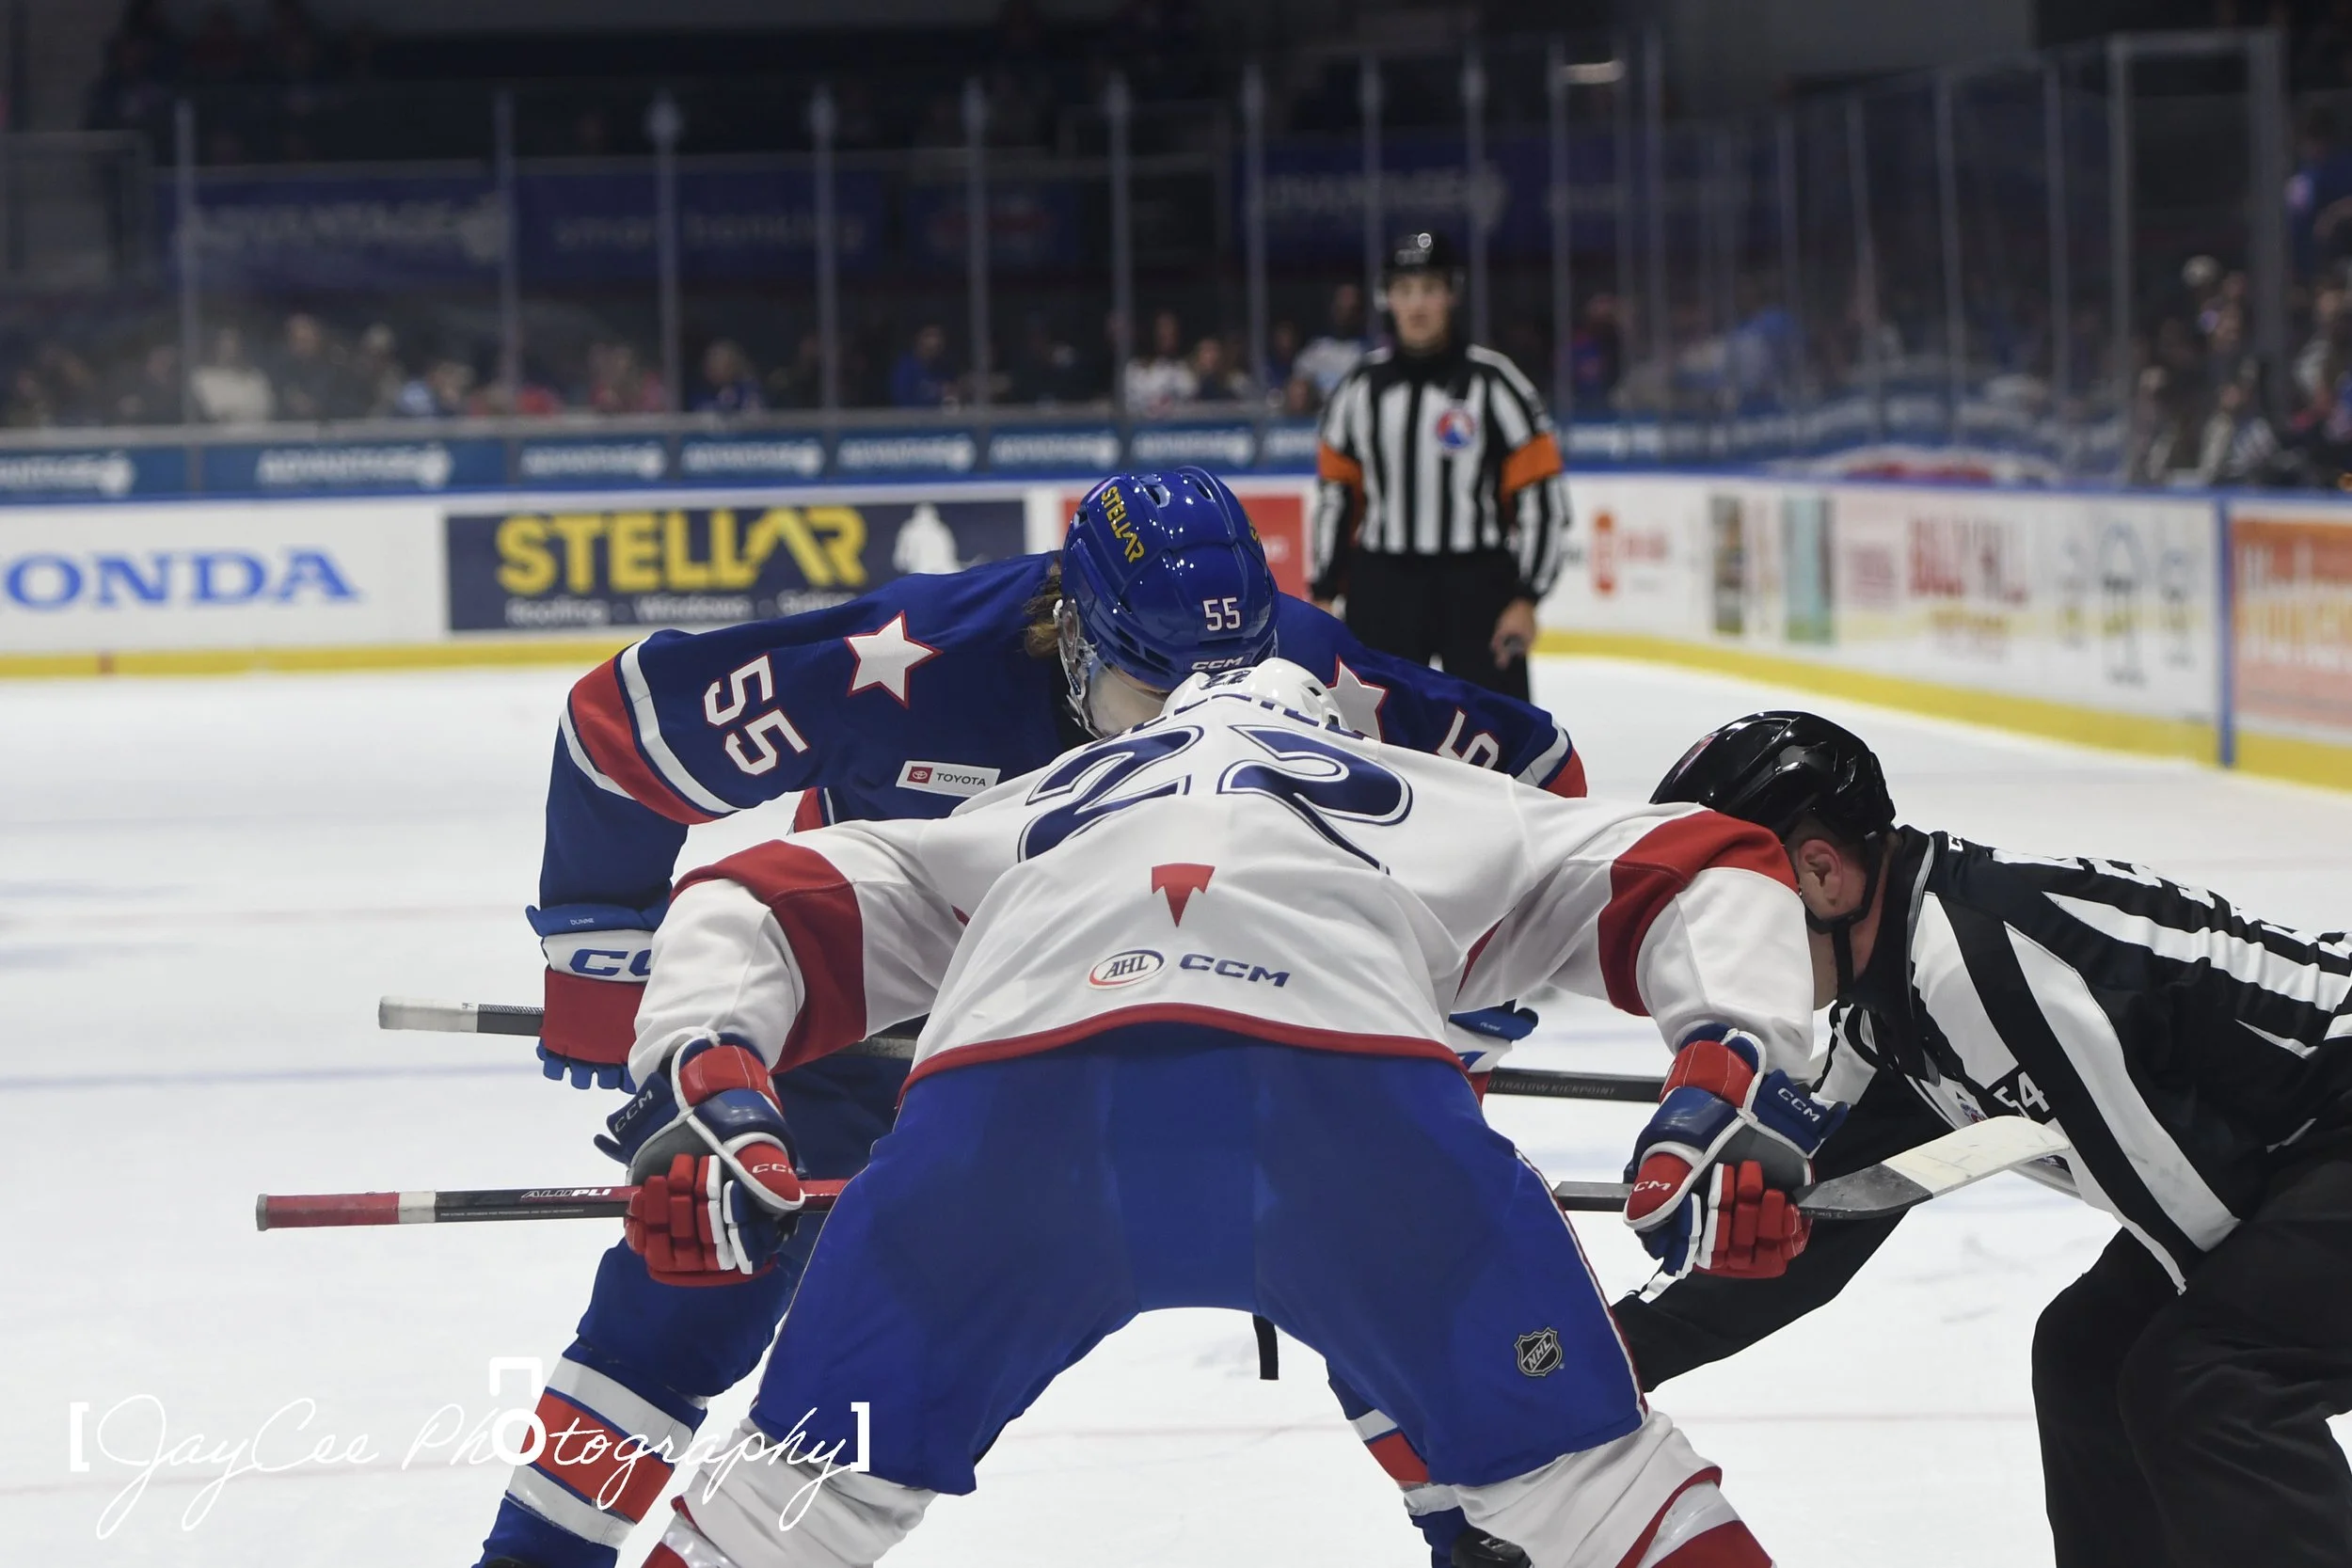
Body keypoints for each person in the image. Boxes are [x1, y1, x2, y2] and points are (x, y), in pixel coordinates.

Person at [474, 468, 1589, 1568]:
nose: (1195, 713)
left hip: (1177, 1014)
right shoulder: (909, 658)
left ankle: (1476, 1540)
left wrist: (1441, 1026)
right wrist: (613, 992)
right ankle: (537, 1554)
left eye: (1231, 676)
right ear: (1074, 639)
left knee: (1377, 1247)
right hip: (875, 1017)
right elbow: (623, 727)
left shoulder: (1312, 669)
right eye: (1152, 686)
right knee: (691, 1271)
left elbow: (1532, 788)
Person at [612, 657, 1830, 1568]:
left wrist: (706, 1078)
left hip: (1008, 1114)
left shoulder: (1041, 797)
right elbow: (1709, 860)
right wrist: (1727, 1073)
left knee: (794, 1502)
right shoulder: (1424, 790)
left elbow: (754, 894)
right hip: (1345, 1104)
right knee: (1596, 1489)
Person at [1613, 709, 2352, 1568]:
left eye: (1732, 911)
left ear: (1821, 871)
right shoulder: (1898, 994)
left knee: (2208, 1382)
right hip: (2299, 1144)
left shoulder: (1978, 969)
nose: (1719, 952)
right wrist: (1618, 1346)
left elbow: (2206, 1212)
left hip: (2323, 1129)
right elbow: (1814, 1212)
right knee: (2087, 1354)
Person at [1311, 231, 1572, 704]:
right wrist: (1325, 592)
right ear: (1387, 298)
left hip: (1479, 589)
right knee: (1375, 734)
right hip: (1383, 588)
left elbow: (1541, 497)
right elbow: (1337, 498)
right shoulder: (1358, 390)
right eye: (1405, 290)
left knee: (1497, 733)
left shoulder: (1496, 384)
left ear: (1452, 293)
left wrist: (1527, 598)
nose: (1417, 304)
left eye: (1430, 289)